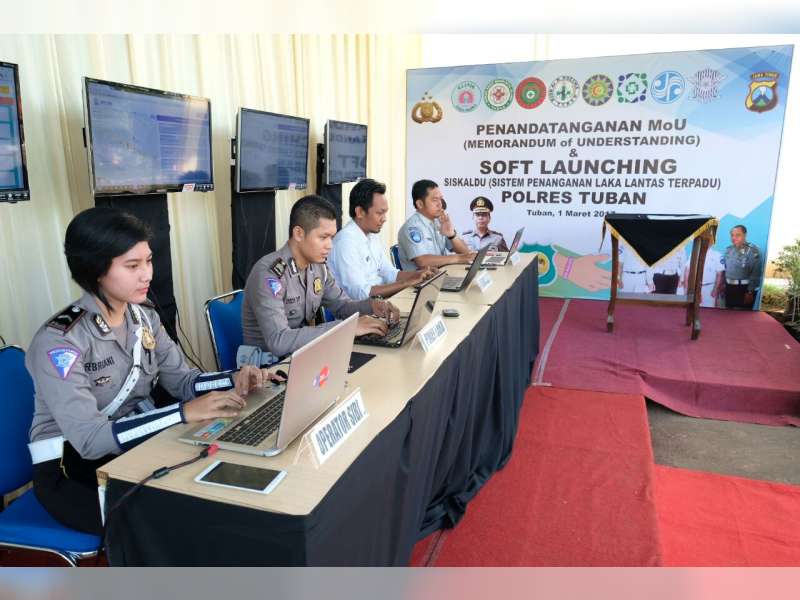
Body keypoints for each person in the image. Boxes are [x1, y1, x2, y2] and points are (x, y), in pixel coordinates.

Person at [26, 207, 280, 535]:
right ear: (96, 269)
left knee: (220, 489)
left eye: (148, 261)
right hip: (72, 470)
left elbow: (183, 381)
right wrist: (183, 414)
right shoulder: (60, 341)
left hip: (133, 444)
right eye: (132, 266)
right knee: (176, 523)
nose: (147, 274)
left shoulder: (144, 317)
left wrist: (235, 378)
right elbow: (90, 440)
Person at [242, 195, 399, 357]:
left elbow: (342, 306)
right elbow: (279, 341)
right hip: (270, 367)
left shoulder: (318, 267)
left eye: (332, 237)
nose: (330, 246)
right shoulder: (269, 274)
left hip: (303, 355)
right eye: (323, 237)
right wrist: (347, 328)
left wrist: (372, 305)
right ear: (299, 234)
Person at [328, 178, 437, 300]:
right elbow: (360, 294)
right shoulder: (345, 243)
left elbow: (390, 274)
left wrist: (418, 275)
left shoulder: (371, 234)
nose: (384, 219)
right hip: (362, 308)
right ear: (360, 212)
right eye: (380, 213)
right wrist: (406, 283)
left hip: (380, 302)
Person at [396, 179, 476, 270]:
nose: (440, 204)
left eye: (440, 199)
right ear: (420, 204)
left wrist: (452, 235)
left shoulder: (439, 222)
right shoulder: (411, 228)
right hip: (424, 278)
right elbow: (422, 262)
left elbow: (466, 252)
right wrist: (459, 258)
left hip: (441, 274)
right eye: (435, 200)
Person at [718, 224, 762, 309]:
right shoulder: (729, 250)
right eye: (732, 235)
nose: (734, 238)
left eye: (737, 235)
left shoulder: (753, 250)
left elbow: (755, 272)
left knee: (742, 315)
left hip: (744, 290)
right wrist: (723, 285)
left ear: (745, 235)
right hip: (729, 288)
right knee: (728, 314)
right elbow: (725, 269)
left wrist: (750, 292)